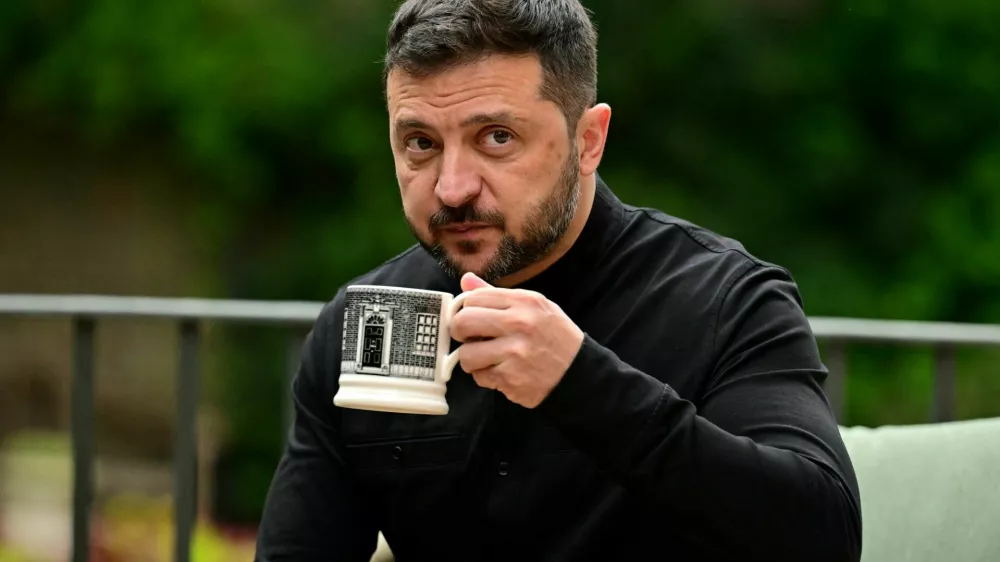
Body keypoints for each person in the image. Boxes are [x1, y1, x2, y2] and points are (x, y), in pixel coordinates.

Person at [254, 0, 862, 560]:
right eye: (420, 143)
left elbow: (824, 536)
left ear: (588, 141)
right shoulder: (373, 320)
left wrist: (582, 384)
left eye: (496, 138)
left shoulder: (724, 299)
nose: (452, 187)